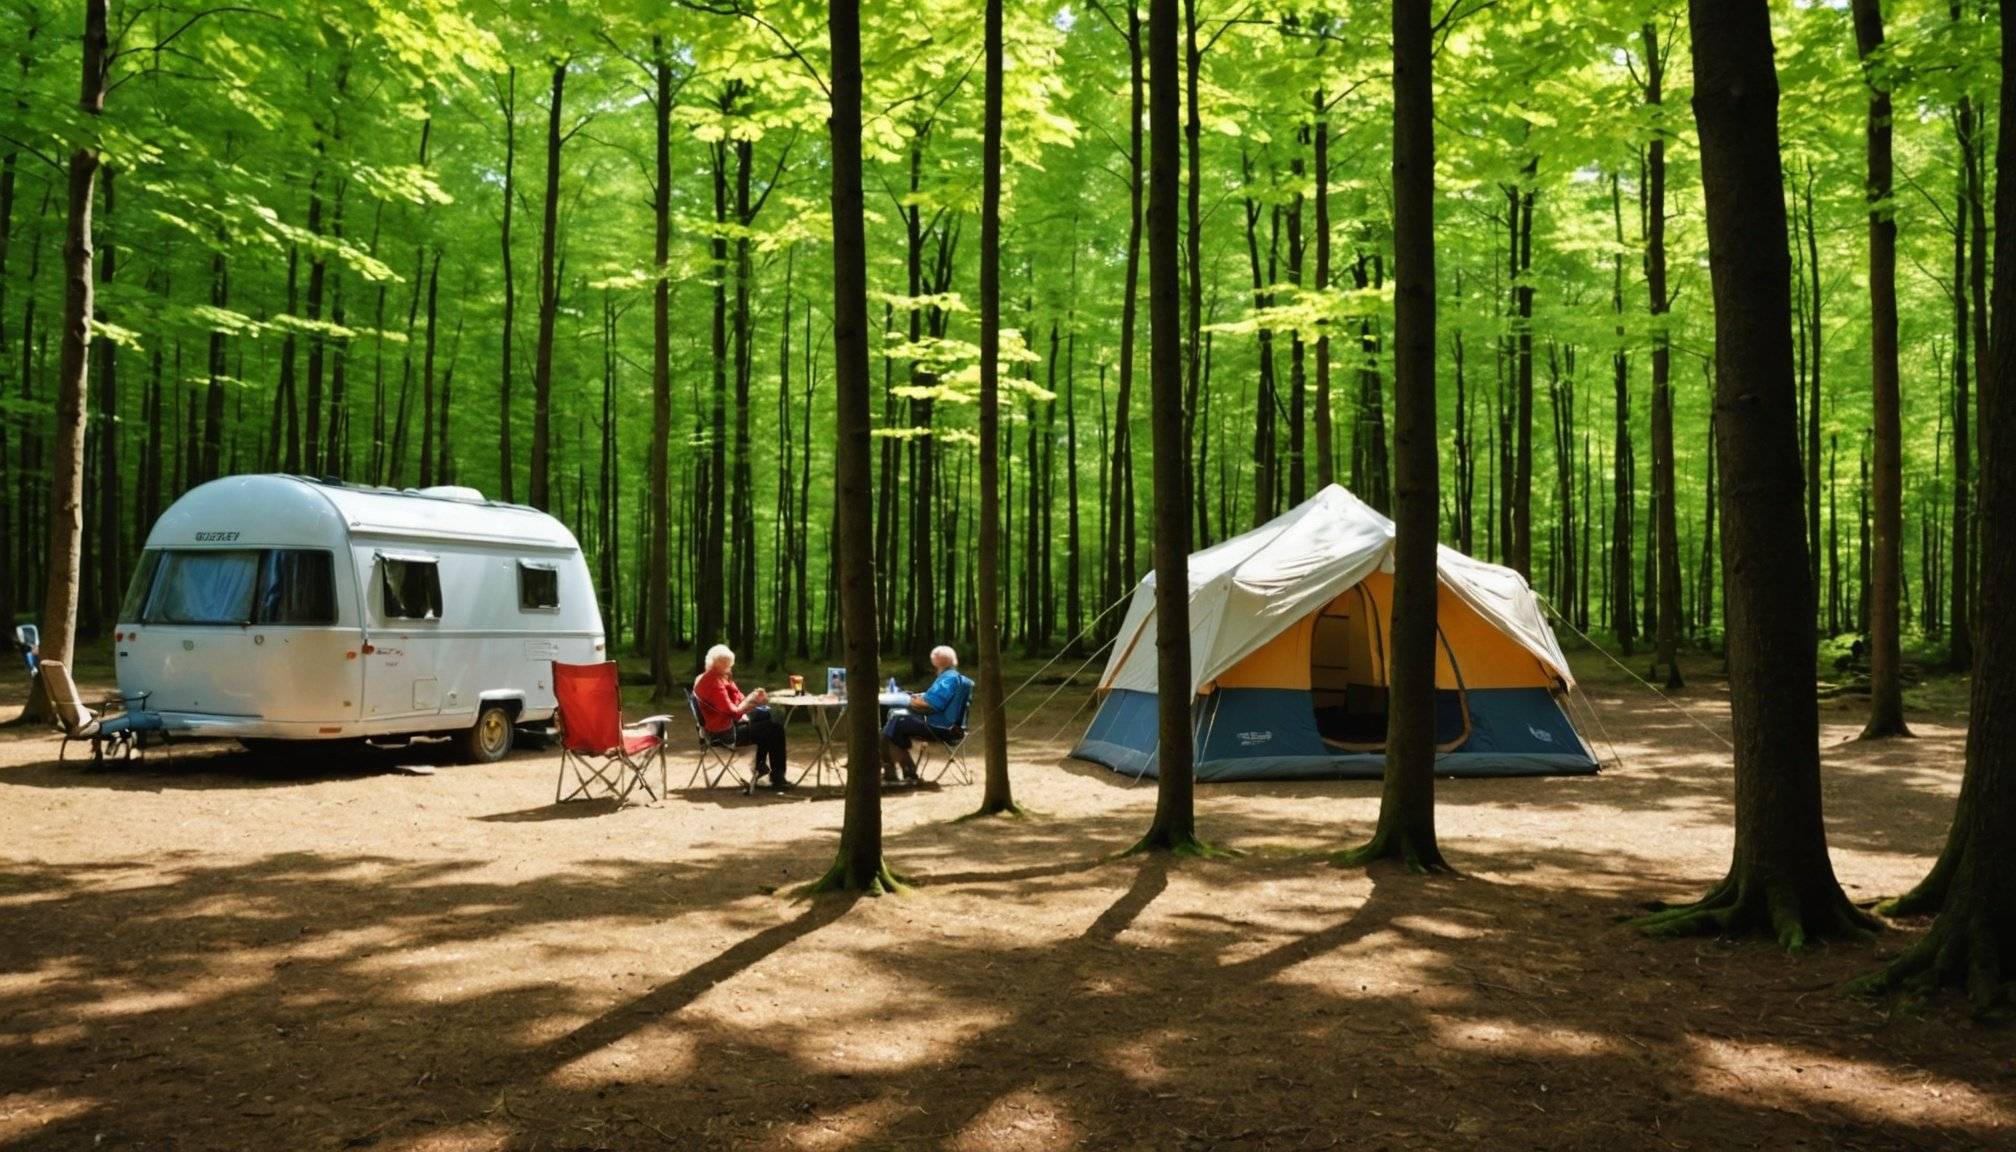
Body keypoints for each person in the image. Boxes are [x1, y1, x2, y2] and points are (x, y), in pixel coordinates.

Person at [692, 644, 790, 791]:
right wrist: (752, 700)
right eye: (725, 667)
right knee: (775, 730)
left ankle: (760, 767)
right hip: (723, 734)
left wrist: (742, 692)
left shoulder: (709, 677)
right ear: (715, 665)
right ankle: (776, 778)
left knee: (765, 715)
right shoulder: (713, 683)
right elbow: (734, 712)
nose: (728, 670)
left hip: (717, 726)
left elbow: (738, 698)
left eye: (729, 667)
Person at [882, 645, 972, 785]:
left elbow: (931, 705)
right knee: (895, 723)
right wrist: (916, 695)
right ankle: (903, 770)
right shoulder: (953, 677)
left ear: (937, 662)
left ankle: (900, 771)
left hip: (943, 728)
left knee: (895, 723)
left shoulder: (948, 679)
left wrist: (908, 700)